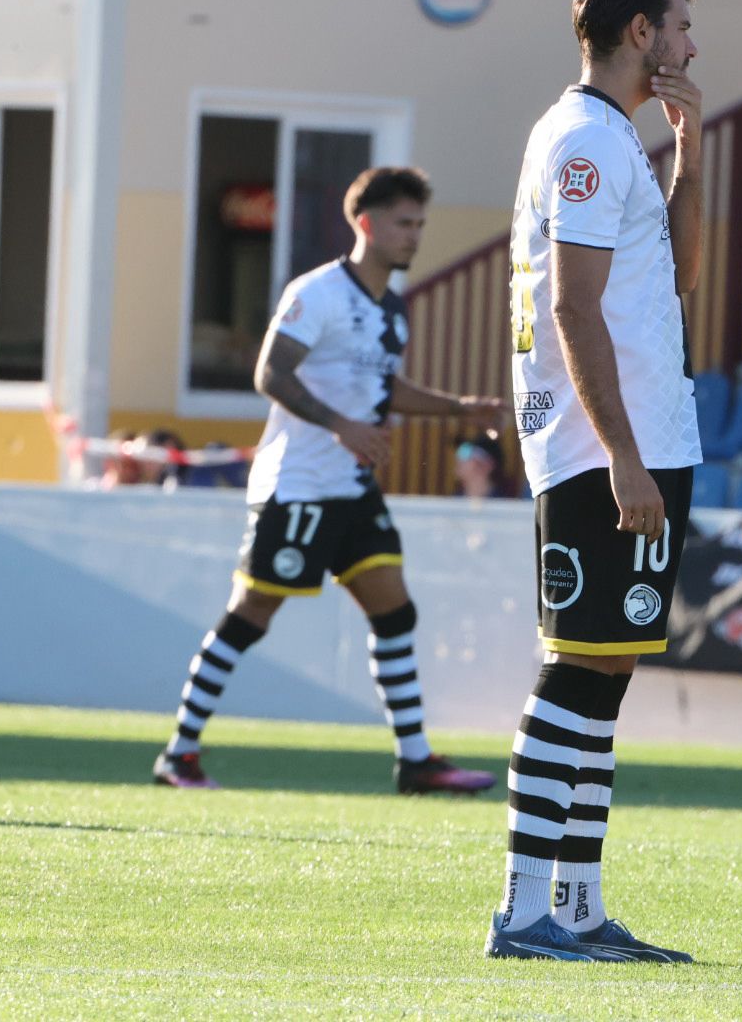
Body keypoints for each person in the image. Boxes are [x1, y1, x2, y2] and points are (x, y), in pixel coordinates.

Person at [484, 0, 705, 965]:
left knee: (606, 673)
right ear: (639, 32)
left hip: (642, 438)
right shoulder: (583, 137)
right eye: (680, 24)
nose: (691, 43)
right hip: (600, 448)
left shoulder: (616, 137)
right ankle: (525, 910)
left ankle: (575, 910)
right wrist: (621, 454)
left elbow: (683, 276)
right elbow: (572, 307)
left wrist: (690, 146)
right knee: (578, 666)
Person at [152, 167, 503, 796]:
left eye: (420, 224)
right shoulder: (318, 293)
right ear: (366, 223)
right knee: (251, 615)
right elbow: (271, 372)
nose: (414, 235)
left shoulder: (392, 308)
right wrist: (342, 426)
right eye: (404, 223)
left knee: (395, 611)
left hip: (351, 489)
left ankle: (416, 761)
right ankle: (180, 754)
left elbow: (382, 388)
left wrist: (458, 408)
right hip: (298, 486)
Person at [453, 432, 510, 498]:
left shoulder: (504, 503)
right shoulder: (452, 501)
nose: (459, 458)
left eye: (466, 453)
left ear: (486, 465)